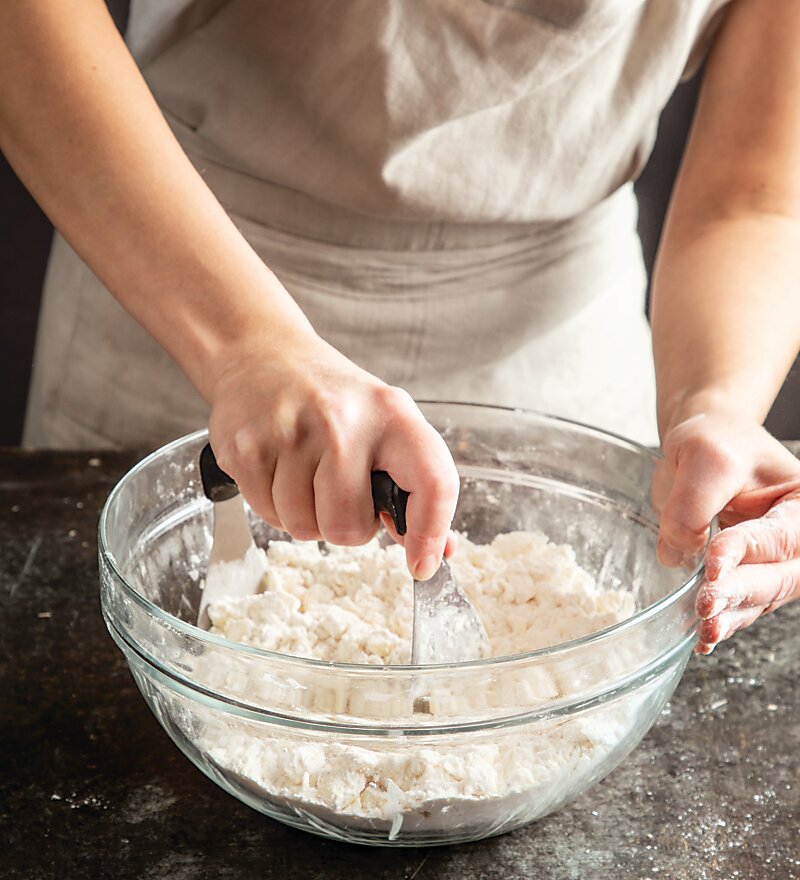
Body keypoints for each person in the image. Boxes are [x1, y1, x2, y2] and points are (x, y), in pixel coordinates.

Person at [1, 0, 798, 655]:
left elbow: (754, 195)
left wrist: (717, 400)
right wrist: (249, 347)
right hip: (181, 268)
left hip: (557, 350)